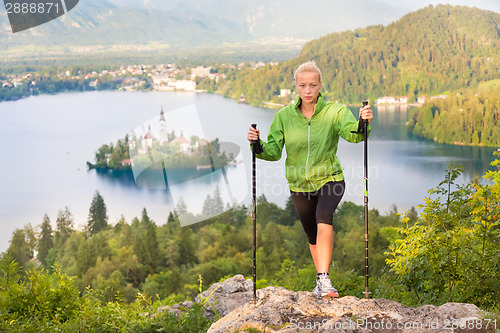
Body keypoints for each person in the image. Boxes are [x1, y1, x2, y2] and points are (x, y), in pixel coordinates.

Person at [247, 60, 373, 298]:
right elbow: (273, 152)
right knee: (311, 235)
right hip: (299, 185)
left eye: (312, 85)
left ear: (320, 85)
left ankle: (325, 280)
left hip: (330, 179)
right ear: (296, 86)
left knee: (323, 218)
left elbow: (354, 135)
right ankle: (320, 281)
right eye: (303, 85)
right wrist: (257, 144)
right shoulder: (284, 116)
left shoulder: (335, 111)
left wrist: (363, 122)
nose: (307, 90)